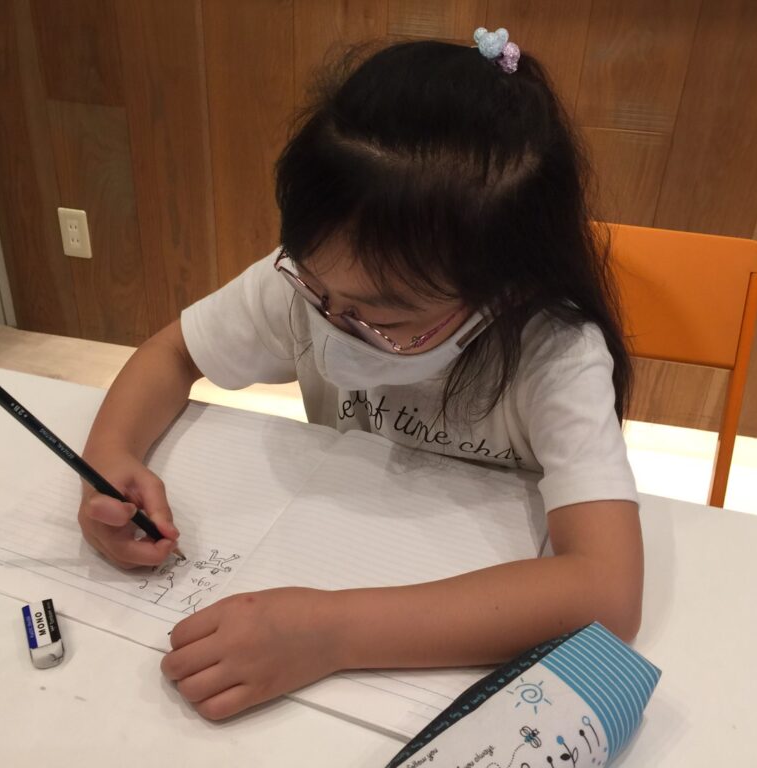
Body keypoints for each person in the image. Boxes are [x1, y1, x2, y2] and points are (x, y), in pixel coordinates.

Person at [78, 30, 643, 722]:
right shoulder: (306, 286)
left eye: (384, 316)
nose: (334, 322)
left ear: (504, 290)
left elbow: (608, 593)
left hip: (439, 644)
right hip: (330, 552)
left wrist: (330, 634)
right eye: (316, 287)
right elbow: (173, 354)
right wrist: (109, 456)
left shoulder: (556, 353)